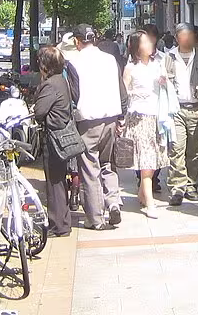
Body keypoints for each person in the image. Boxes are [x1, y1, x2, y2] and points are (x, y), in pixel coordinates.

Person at [68, 24, 124, 230]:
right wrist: (122, 116)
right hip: (111, 117)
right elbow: (121, 88)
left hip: (87, 121)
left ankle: (96, 218)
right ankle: (114, 202)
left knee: (90, 169)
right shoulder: (110, 59)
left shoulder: (73, 62)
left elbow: (73, 94)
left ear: (77, 41)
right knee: (107, 163)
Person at [123, 30, 171, 218]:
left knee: (153, 158)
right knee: (146, 159)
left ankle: (143, 193)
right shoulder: (130, 69)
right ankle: (150, 202)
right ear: (136, 47)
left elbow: (166, 89)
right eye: (144, 42)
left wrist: (164, 82)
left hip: (156, 117)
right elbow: (124, 94)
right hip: (138, 117)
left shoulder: (158, 65)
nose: (150, 44)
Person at [165, 23, 198, 206]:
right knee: (176, 148)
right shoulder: (168, 57)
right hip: (175, 109)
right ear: (177, 38)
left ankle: (191, 184)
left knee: (196, 150)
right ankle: (177, 187)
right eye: (182, 36)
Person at [32, 46, 75, 238]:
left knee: (54, 182)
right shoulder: (62, 80)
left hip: (54, 137)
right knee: (59, 180)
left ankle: (58, 225)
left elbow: (39, 111)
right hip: (62, 135)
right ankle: (63, 221)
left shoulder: (50, 85)